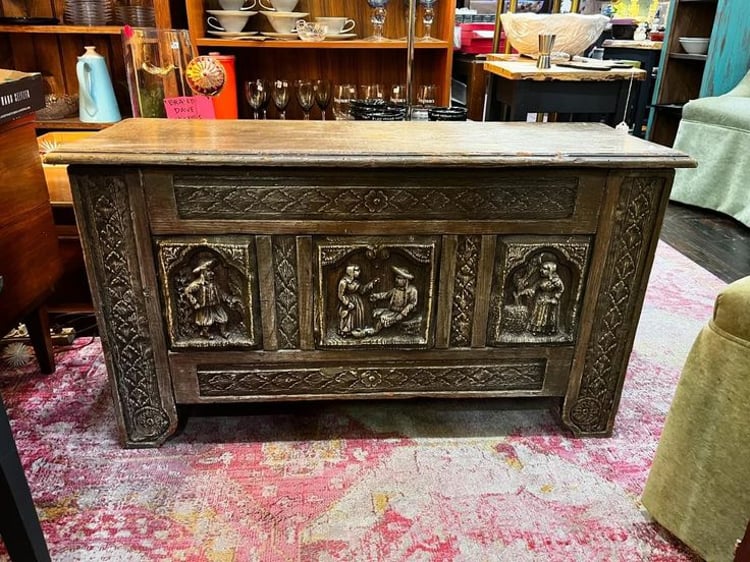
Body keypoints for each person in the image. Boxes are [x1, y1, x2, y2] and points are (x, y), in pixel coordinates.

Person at [184, 257, 236, 338]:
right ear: (202, 272)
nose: (212, 273)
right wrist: (195, 302)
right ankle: (205, 333)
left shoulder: (214, 283)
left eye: (212, 270)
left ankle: (223, 331)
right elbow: (187, 291)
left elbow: (220, 292)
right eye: (208, 271)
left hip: (216, 305)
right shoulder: (198, 284)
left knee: (223, 318)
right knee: (206, 322)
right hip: (205, 307)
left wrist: (228, 298)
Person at [519, 256, 564, 336]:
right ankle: (535, 329)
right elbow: (535, 287)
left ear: (550, 271)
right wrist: (529, 291)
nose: (541, 270)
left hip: (550, 300)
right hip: (540, 299)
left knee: (548, 316)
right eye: (541, 268)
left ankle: (549, 330)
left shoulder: (556, 281)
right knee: (538, 314)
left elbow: (561, 289)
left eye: (544, 269)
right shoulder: (541, 281)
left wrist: (555, 298)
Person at [369, 266, 418, 333]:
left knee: (384, 318)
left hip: (403, 313)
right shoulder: (395, 290)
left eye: (399, 278)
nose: (396, 280)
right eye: (396, 277)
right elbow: (386, 295)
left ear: (405, 280)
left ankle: (375, 331)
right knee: (376, 312)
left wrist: (402, 314)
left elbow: (412, 304)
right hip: (392, 310)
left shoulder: (412, 290)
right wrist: (376, 296)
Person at [337, 264, 378, 337]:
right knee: (349, 317)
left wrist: (371, 283)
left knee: (358, 315)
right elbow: (340, 295)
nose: (359, 272)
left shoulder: (355, 282)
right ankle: (346, 331)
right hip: (348, 302)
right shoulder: (344, 282)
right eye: (357, 270)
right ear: (351, 271)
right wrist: (347, 303)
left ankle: (357, 330)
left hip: (357, 302)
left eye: (358, 270)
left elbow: (362, 290)